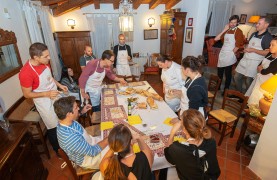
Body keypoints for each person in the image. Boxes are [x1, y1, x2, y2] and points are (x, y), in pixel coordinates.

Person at [19, 42, 68, 155]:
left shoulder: (45, 63)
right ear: (36, 57)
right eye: (46, 56)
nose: (49, 58)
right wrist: (46, 94)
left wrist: (60, 85)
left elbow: (49, 78)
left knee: (63, 119)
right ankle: (59, 152)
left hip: (54, 94)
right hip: (43, 101)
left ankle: (66, 144)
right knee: (53, 126)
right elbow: (27, 94)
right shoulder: (25, 73)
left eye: (48, 55)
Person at [164, 109, 220, 179]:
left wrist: (172, 133)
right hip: (210, 177)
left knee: (166, 171)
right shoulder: (211, 142)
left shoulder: (178, 149)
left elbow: (168, 156)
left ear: (184, 129)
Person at [54, 96, 108, 169]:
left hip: (89, 144)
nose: (79, 108)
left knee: (110, 136)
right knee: (117, 149)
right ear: (69, 114)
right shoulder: (70, 137)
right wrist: (109, 139)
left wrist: (82, 111)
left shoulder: (65, 121)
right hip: (88, 158)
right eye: (76, 108)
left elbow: (74, 118)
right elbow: (93, 151)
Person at [234, 16, 273, 93]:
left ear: (266, 25)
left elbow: (268, 52)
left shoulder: (268, 37)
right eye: (257, 23)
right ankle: (240, 95)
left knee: (249, 81)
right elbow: (250, 45)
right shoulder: (253, 34)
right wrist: (246, 49)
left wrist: (253, 50)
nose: (256, 25)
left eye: (259, 23)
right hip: (245, 59)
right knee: (237, 77)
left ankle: (247, 98)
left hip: (255, 62)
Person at [214, 15, 244, 94]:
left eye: (235, 22)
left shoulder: (238, 31)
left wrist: (231, 54)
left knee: (228, 74)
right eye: (231, 22)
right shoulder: (226, 30)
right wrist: (224, 29)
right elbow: (216, 38)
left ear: (237, 23)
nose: (233, 24)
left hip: (230, 54)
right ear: (229, 22)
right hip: (222, 53)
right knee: (219, 72)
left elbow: (237, 46)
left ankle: (226, 90)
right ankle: (218, 87)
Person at [245, 37, 277, 105]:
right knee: (252, 95)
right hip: (259, 79)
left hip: (266, 82)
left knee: (259, 98)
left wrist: (261, 69)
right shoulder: (269, 54)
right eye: (270, 45)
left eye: (273, 45)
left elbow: (265, 72)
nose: (270, 47)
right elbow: (260, 64)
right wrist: (261, 68)